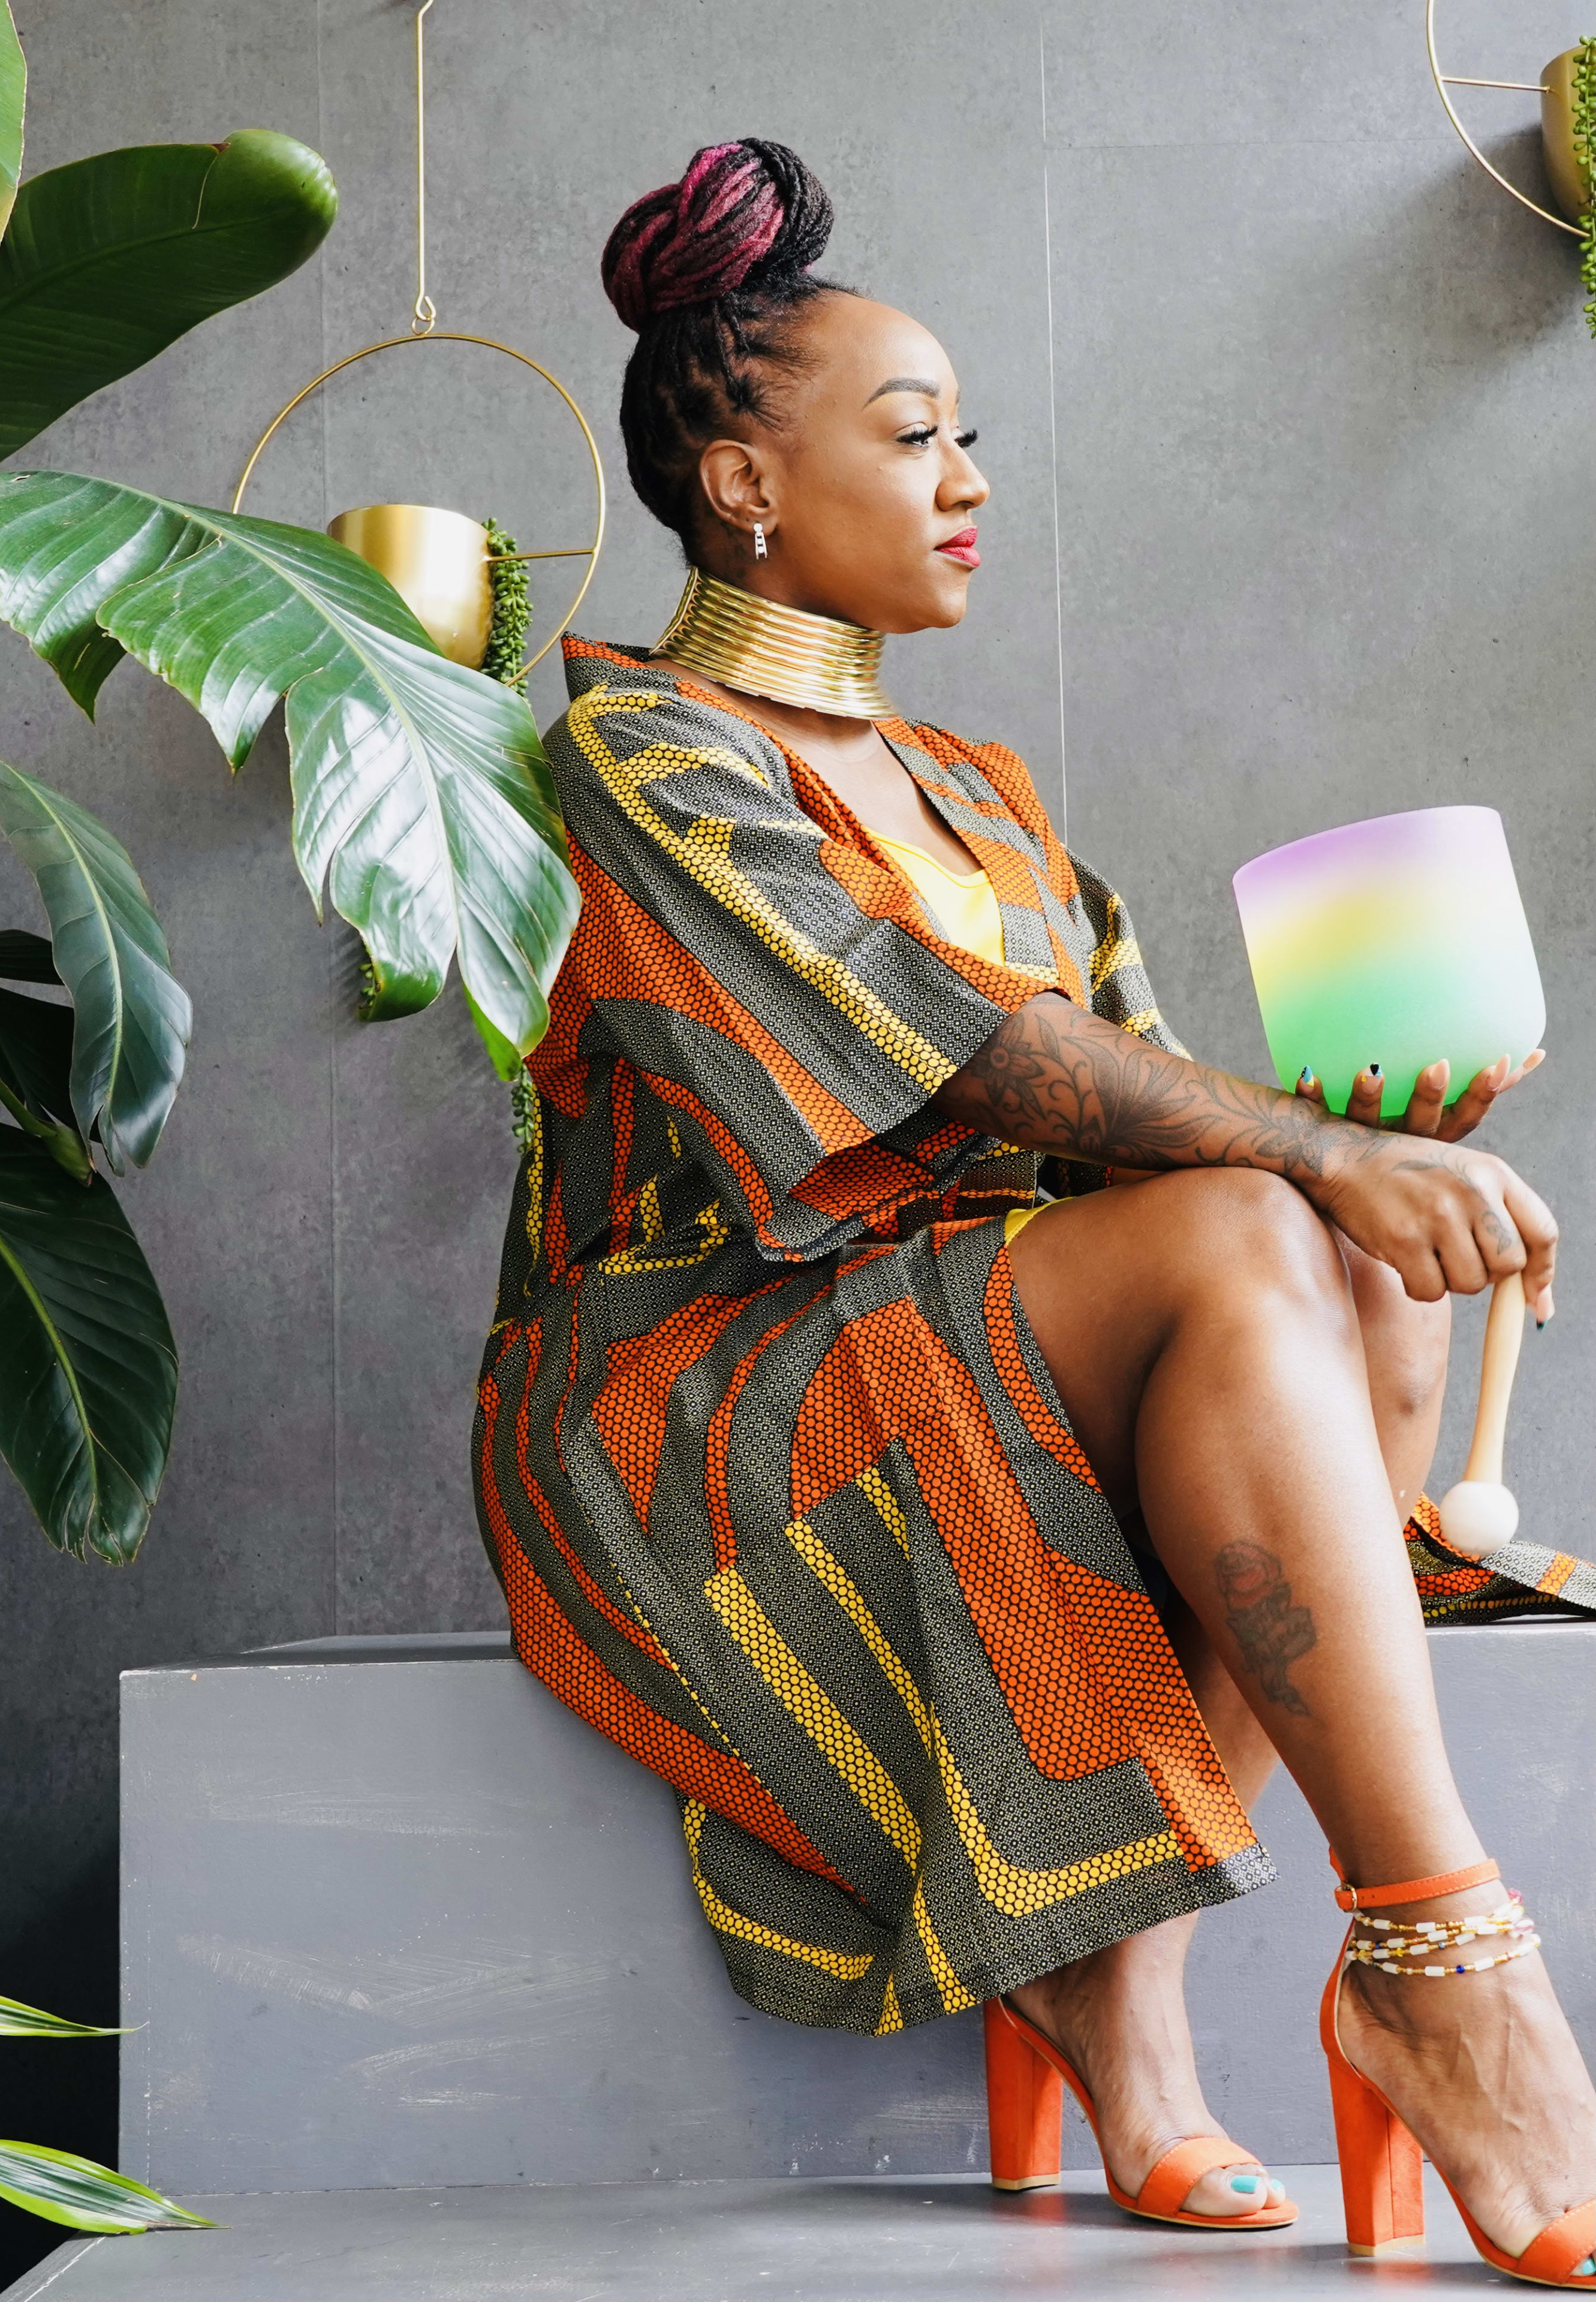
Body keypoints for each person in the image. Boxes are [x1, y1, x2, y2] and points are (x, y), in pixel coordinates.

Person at [471, 134, 1596, 2281]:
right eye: (911, 435)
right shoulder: (638, 752)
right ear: (745, 485)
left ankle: (1130, 2013)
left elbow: (1142, 1128)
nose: (969, 476)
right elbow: (937, 1047)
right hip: (686, 1377)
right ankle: (1445, 1970)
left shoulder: (987, 794)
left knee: (1323, 1252)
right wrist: (1302, 1150)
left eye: (970, 433)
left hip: (961, 1322)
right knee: (1278, 1217)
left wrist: (1365, 1127)